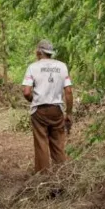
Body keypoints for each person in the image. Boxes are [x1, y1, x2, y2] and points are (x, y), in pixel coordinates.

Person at [22, 39, 73, 173]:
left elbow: (26, 92)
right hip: (57, 110)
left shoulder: (33, 67)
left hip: (39, 110)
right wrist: (69, 113)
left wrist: (34, 99)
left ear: (39, 52)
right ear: (50, 53)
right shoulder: (62, 66)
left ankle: (43, 180)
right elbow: (68, 91)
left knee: (41, 144)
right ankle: (62, 177)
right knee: (58, 145)